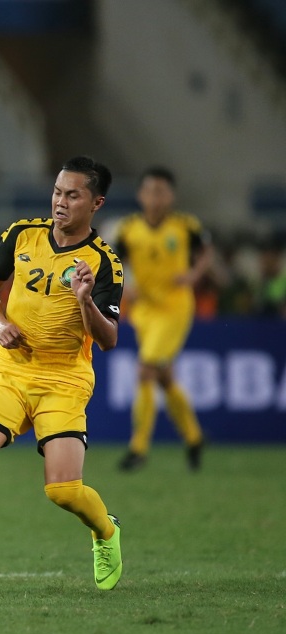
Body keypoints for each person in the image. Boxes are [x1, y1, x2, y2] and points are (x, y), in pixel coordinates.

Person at [0, 156, 125, 595]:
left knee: (63, 490)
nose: (60, 202)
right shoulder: (21, 234)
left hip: (65, 380)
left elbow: (109, 340)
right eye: (57, 191)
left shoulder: (103, 263)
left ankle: (106, 531)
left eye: (72, 195)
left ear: (96, 203)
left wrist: (85, 301)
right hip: (11, 369)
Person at [115, 167, 211, 472]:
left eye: (162, 191)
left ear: (171, 196)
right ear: (141, 195)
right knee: (164, 376)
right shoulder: (129, 228)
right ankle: (195, 437)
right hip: (144, 310)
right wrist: (122, 283)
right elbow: (115, 260)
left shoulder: (185, 226)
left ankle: (138, 447)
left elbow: (206, 252)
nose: (156, 198)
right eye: (150, 191)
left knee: (145, 370)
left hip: (174, 308)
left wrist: (194, 274)